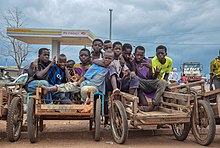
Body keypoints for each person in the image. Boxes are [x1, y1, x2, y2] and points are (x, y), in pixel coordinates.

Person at [41, 50, 119, 109]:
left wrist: (115, 89)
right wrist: (78, 82)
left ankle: (86, 103)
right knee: (68, 86)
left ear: (112, 59)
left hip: (95, 87)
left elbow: (113, 77)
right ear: (103, 57)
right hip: (85, 83)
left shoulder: (110, 68)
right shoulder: (95, 65)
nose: (107, 60)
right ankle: (48, 89)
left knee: (85, 90)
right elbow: (86, 76)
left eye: (110, 59)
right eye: (106, 58)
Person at [134, 46, 167, 112]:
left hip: (149, 82)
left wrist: (150, 68)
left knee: (163, 82)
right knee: (135, 79)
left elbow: (150, 77)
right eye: (137, 55)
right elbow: (133, 73)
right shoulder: (133, 61)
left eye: (141, 55)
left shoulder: (148, 61)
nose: (139, 57)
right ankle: (135, 103)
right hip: (141, 84)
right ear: (134, 54)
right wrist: (132, 63)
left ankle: (153, 104)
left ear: (144, 55)